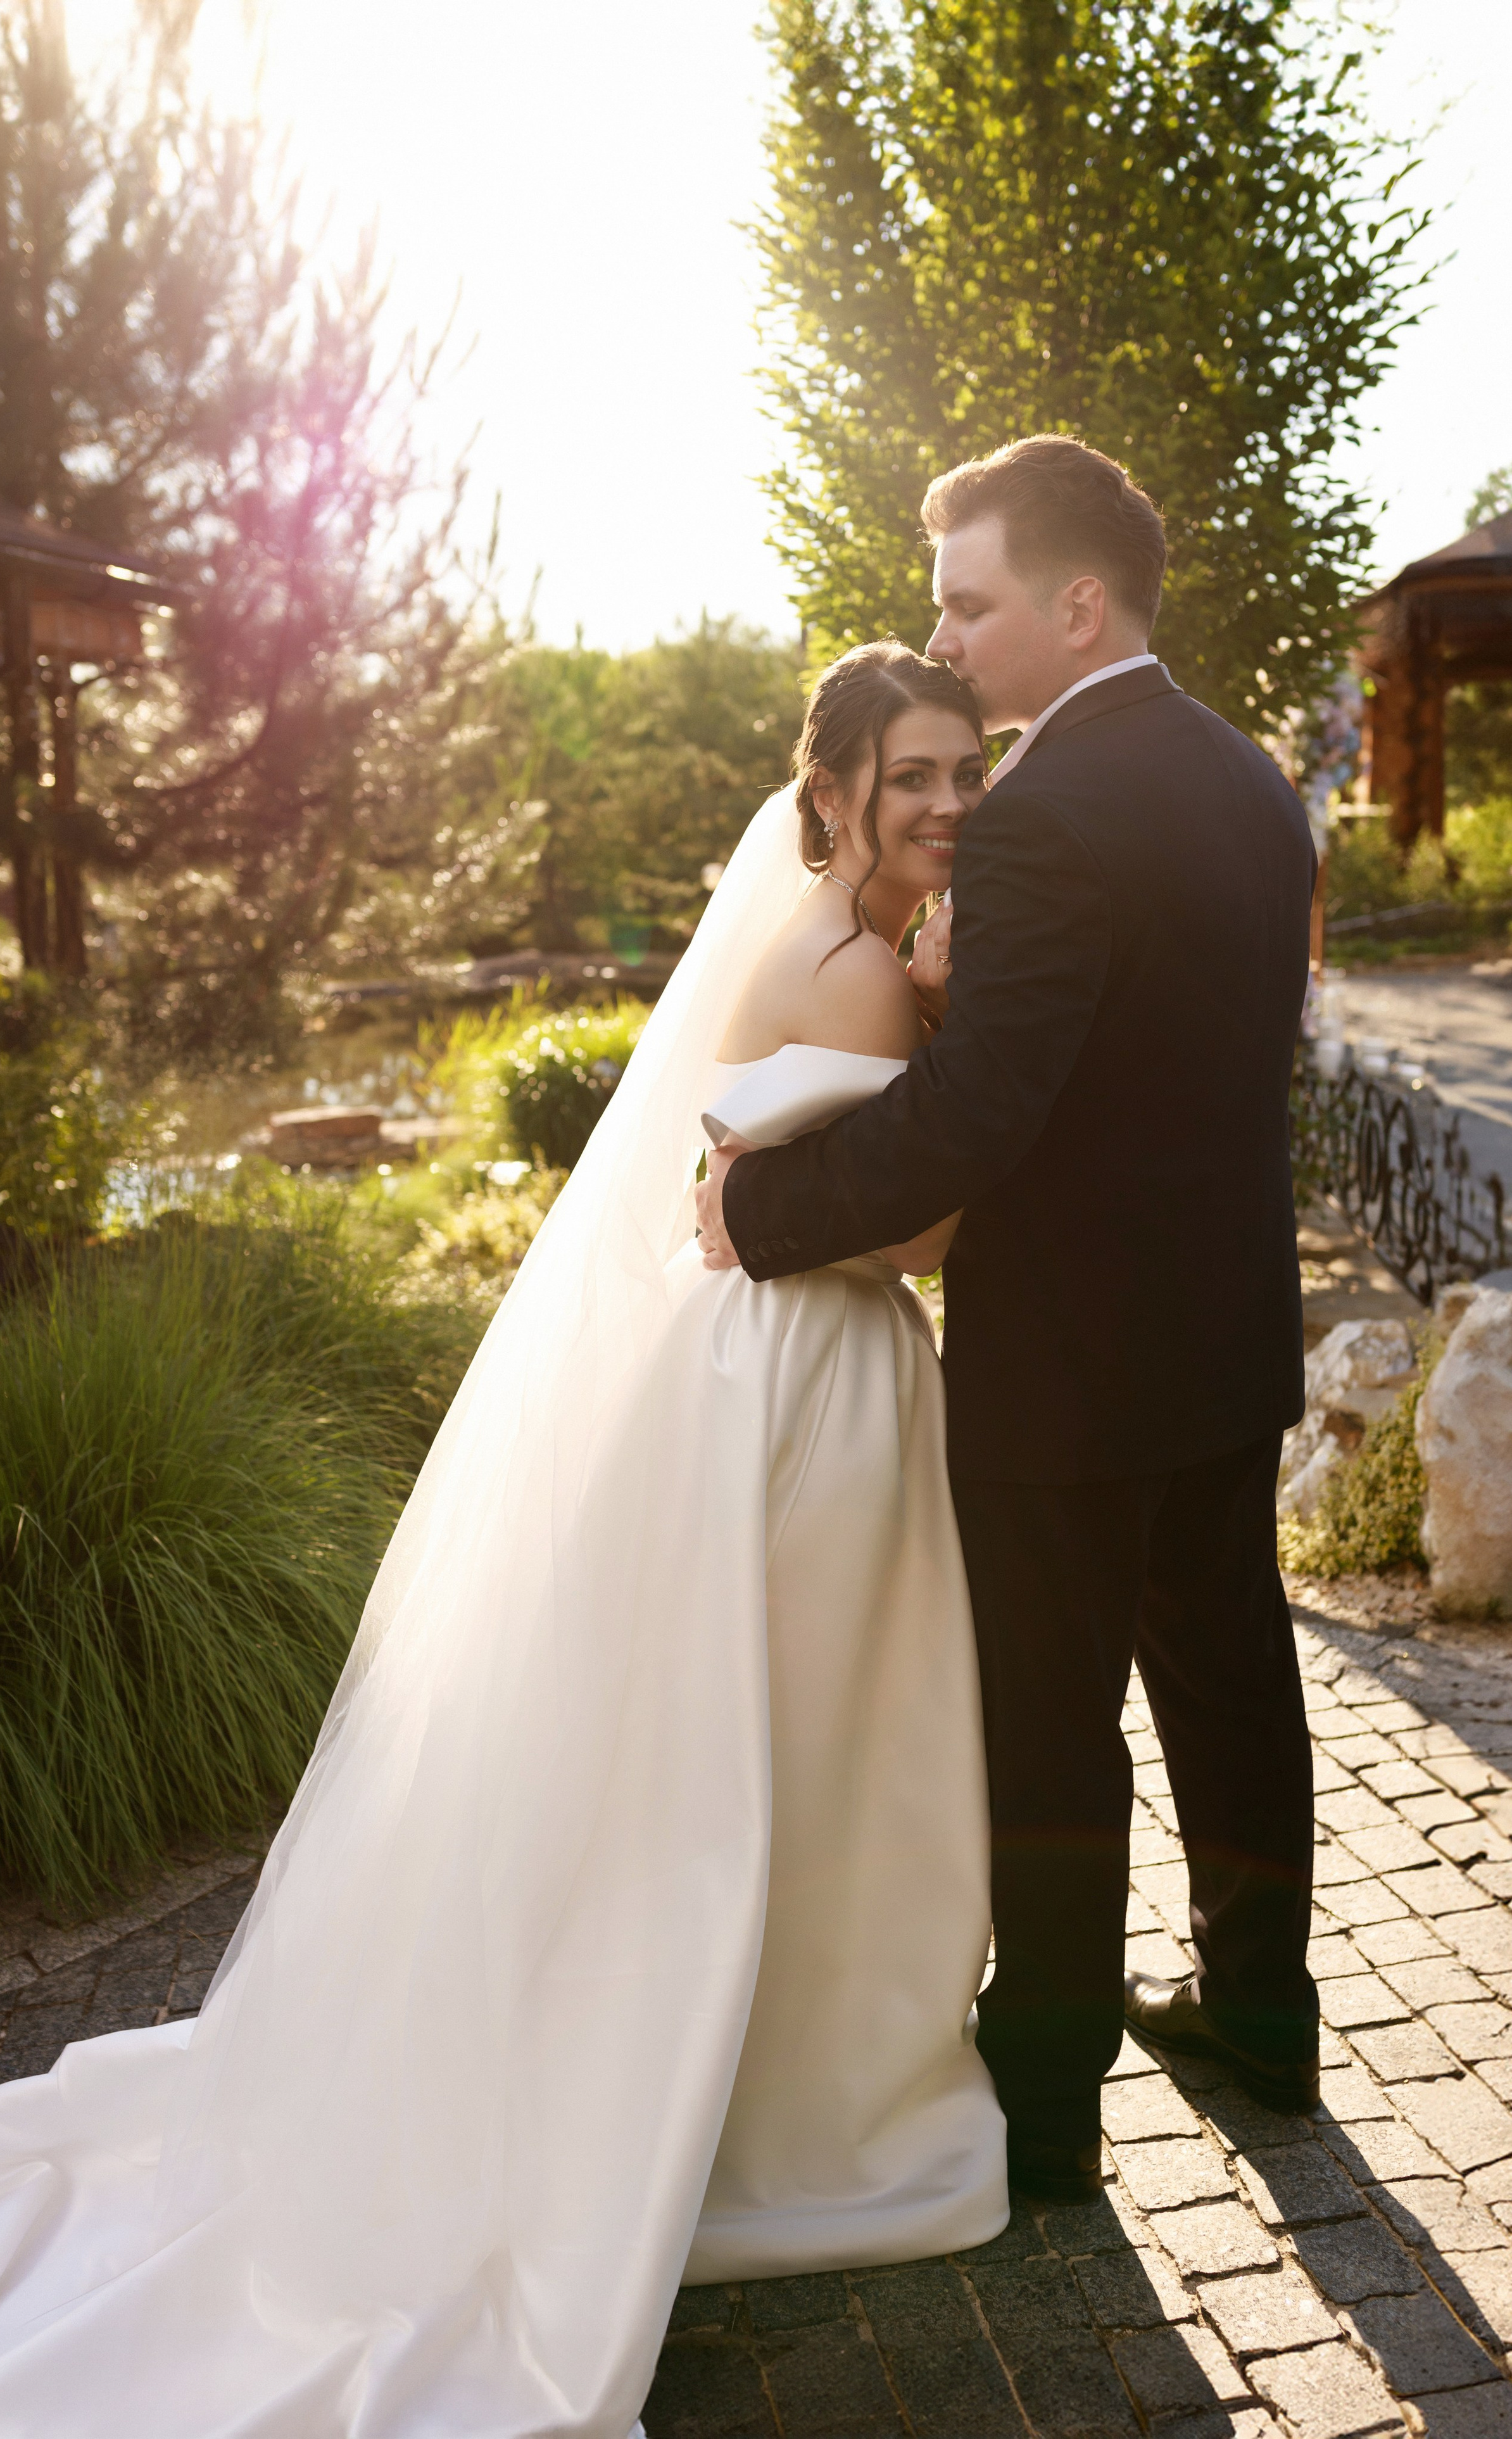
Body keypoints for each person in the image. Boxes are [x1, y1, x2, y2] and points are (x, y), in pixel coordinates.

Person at [0, 645, 1005, 2439]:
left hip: (750, 1367)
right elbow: (922, 1230)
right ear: (837, 792)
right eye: (919, 776)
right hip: (817, 1373)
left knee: (754, 1740)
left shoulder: (817, 933)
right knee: (803, 1742)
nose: (952, 801)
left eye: (971, 769)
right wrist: (951, 1026)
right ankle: (797, 2102)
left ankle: (734, 2067)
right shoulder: (869, 969)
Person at [699, 434, 1321, 2207]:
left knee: (1053, 1723)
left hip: (1068, 1367)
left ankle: (1046, 2101)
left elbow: (978, 1115)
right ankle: (1265, 2009)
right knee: (1229, 1665)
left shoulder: (1047, 813)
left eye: (970, 601)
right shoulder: (1253, 785)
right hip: (1223, 1334)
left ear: (1075, 600)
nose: (950, 634)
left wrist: (760, 1205)